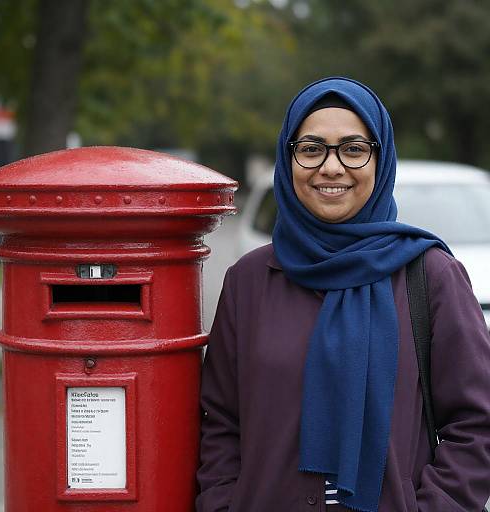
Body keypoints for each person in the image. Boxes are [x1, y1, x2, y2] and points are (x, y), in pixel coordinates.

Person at [196, 77, 490, 511]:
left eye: (353, 149)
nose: (331, 167)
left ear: (381, 158)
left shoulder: (430, 274)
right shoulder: (250, 280)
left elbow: (477, 424)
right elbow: (219, 422)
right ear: (288, 157)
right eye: (311, 148)